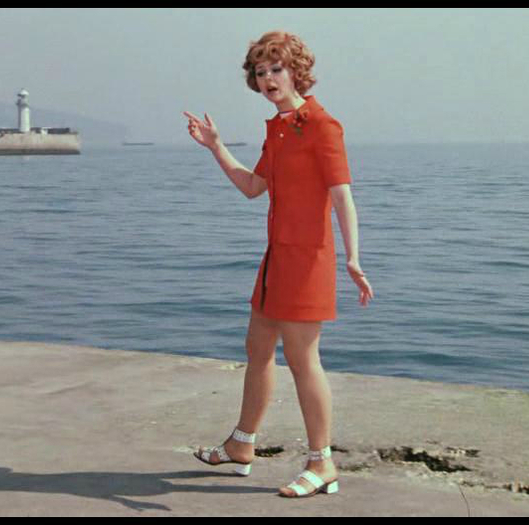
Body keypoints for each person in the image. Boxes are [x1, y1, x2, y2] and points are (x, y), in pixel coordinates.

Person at [183, 30, 373, 499]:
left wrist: (352, 257)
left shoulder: (322, 126)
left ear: (296, 71)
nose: (267, 78)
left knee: (304, 361)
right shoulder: (279, 128)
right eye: (260, 71)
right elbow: (253, 187)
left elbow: (342, 196)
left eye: (276, 68)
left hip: (308, 261)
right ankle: (241, 444)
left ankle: (322, 462)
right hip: (276, 259)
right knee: (258, 349)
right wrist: (216, 147)